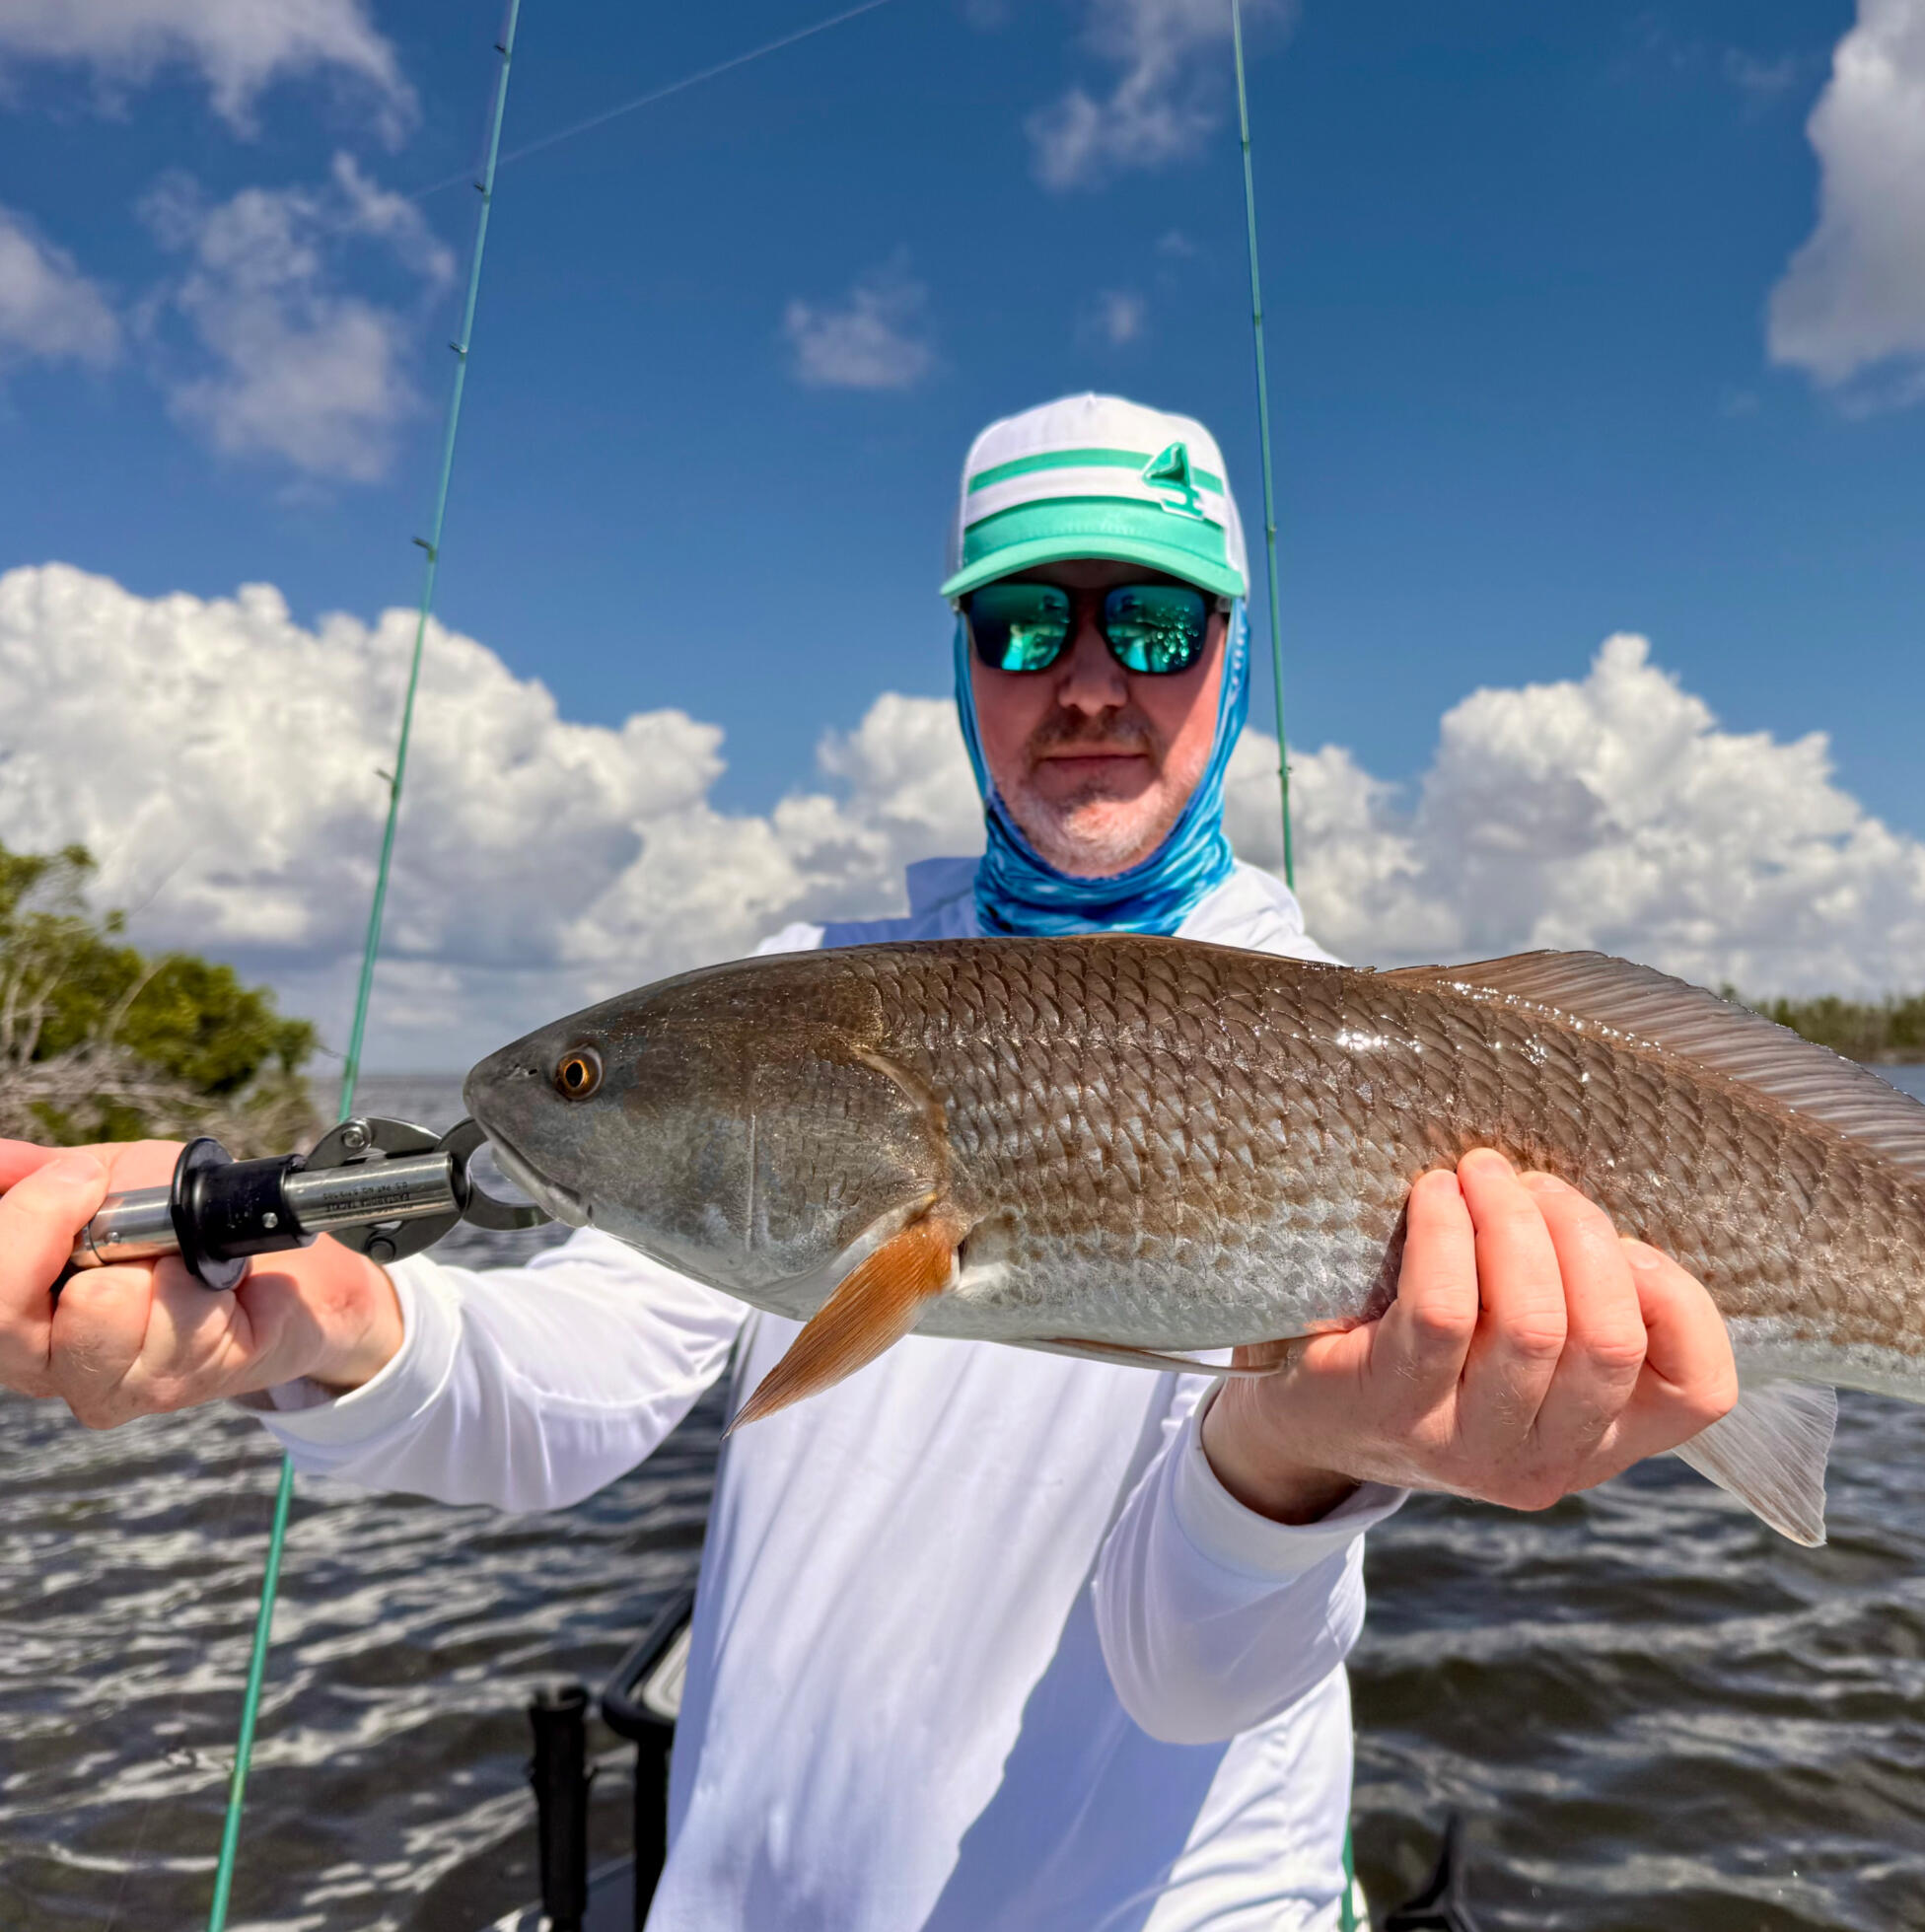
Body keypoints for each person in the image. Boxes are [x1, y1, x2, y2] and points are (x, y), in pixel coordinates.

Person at [0, 394, 1738, 1929]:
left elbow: (1200, 1673)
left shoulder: (1350, 1034)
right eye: (1022, 624)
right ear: (962, 660)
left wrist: (1293, 1459)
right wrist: (329, 1321)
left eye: (1151, 623)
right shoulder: (799, 985)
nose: (1087, 682)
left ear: (1231, 656)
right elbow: (580, 1372)